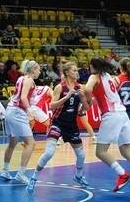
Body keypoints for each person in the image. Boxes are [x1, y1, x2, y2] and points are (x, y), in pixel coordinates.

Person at [83, 57, 130, 194]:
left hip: (111, 115)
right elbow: (103, 95)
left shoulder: (94, 76)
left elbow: (87, 89)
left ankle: (122, 173)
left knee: (100, 152)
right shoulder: (108, 76)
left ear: (93, 67)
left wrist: (85, 101)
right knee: (125, 150)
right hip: (123, 114)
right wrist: (91, 101)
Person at [27, 62, 92, 193]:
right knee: (49, 152)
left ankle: (78, 175)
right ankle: (34, 178)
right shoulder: (59, 87)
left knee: (81, 155)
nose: (77, 72)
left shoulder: (80, 87)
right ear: (67, 72)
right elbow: (52, 106)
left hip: (71, 125)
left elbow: (86, 108)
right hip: (57, 123)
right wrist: (67, 97)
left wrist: (82, 98)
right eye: (74, 70)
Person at [0, 60, 41, 184]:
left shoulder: (21, 78)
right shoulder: (29, 80)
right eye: (38, 69)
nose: (39, 71)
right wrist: (30, 111)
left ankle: (5, 170)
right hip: (18, 111)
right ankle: (21, 173)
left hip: (10, 110)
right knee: (31, 143)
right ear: (33, 69)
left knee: (12, 143)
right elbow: (23, 97)